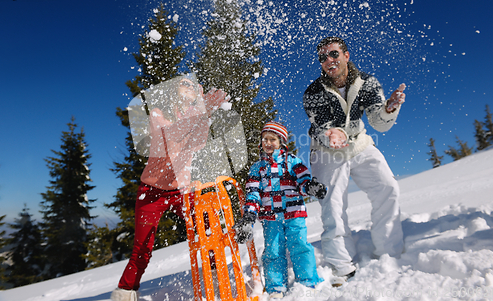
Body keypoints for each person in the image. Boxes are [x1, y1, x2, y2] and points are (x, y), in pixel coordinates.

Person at [111, 75, 227, 301]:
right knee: (142, 249)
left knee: (207, 228)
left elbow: (198, 143)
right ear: (174, 90)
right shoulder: (158, 114)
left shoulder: (195, 116)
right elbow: (171, 137)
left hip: (181, 190)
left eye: (193, 85)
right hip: (151, 192)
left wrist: (205, 114)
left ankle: (216, 276)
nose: (189, 87)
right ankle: (125, 293)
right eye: (184, 83)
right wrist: (201, 113)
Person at [302, 36, 406, 283]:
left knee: (387, 186)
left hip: (358, 142)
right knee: (333, 201)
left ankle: (389, 251)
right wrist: (330, 134)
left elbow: (378, 123)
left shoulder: (367, 83)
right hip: (326, 148)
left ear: (346, 55)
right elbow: (319, 127)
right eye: (323, 57)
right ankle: (341, 263)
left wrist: (389, 109)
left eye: (334, 54)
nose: (329, 60)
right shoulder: (313, 92)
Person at [233, 121, 326, 299]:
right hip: (270, 217)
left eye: (272, 139)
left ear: (281, 141)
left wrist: (311, 187)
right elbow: (253, 193)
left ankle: (308, 280)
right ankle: (276, 286)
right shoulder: (257, 168)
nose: (267, 143)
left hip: (294, 213)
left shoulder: (293, 162)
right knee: (273, 251)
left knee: (299, 245)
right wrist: (249, 216)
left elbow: (303, 181)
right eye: (264, 139)